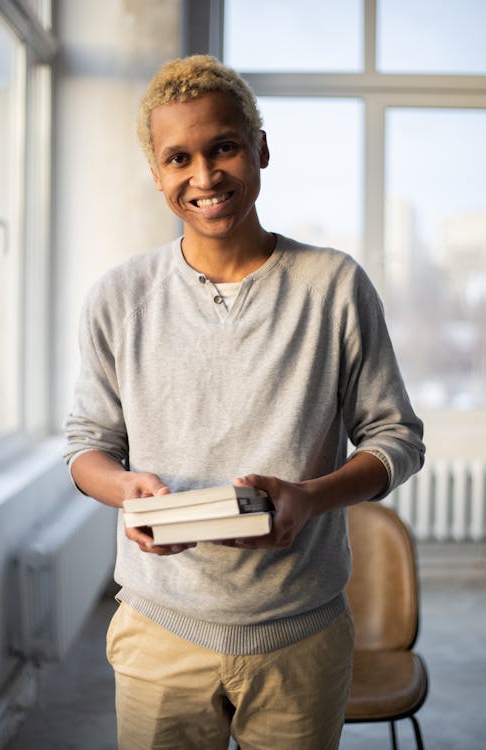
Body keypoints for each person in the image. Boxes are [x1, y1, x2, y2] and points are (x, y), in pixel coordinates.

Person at [64, 55, 425, 750]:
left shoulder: (334, 286)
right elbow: (86, 445)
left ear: (259, 146)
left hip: (302, 636)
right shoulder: (118, 296)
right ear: (157, 174)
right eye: (179, 158)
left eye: (223, 146)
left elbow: (396, 438)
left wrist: (311, 498)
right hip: (158, 631)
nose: (204, 177)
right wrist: (128, 491)